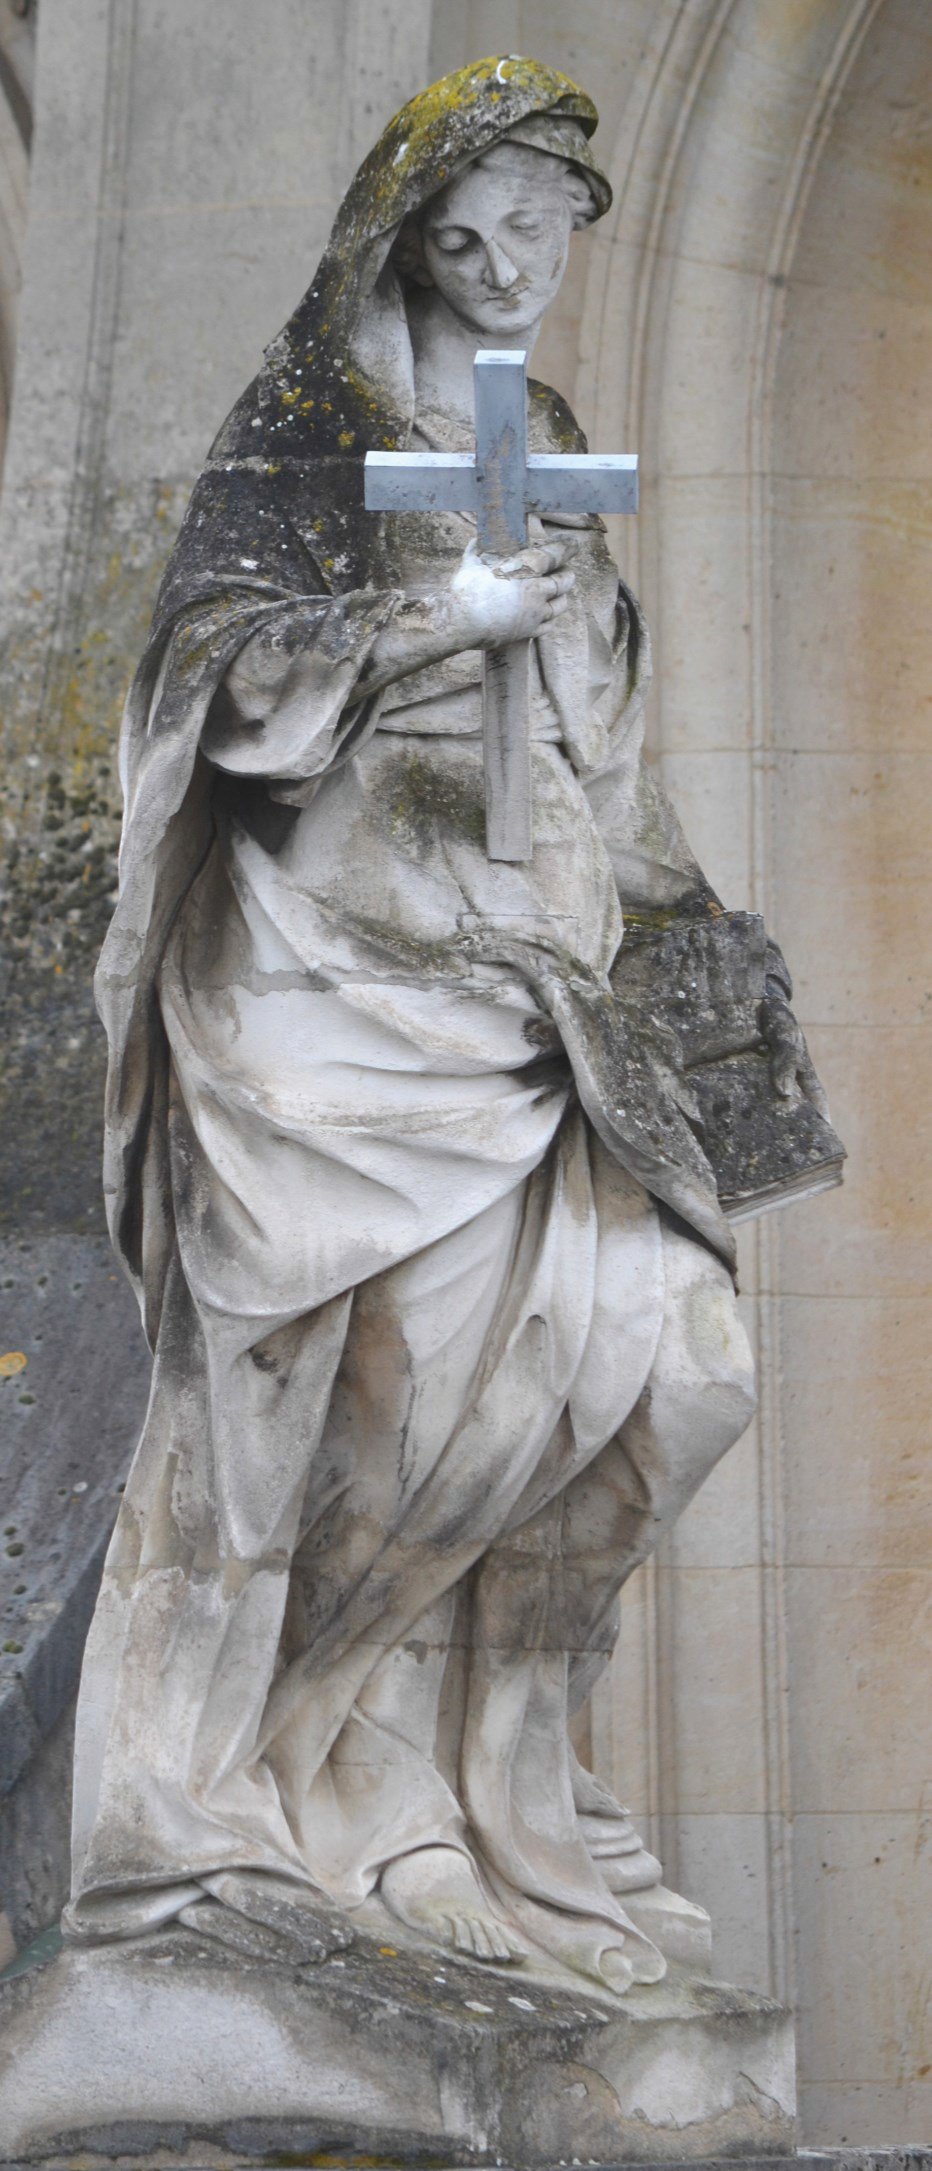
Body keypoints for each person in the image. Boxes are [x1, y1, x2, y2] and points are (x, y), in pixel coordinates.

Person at [65, 55, 809, 1997]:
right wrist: (426, 616)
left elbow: (603, 732)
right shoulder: (306, 428)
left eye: (549, 232)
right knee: (350, 1397)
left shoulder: (541, 421)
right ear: (416, 221)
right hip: (319, 997)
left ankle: (509, 1791)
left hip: (520, 974)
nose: (514, 262)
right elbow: (206, 688)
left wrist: (570, 647)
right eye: (482, 224)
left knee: (673, 1360)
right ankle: (290, 1808)